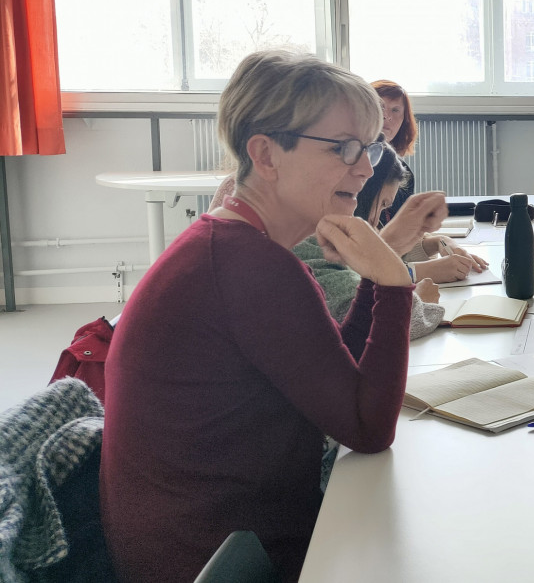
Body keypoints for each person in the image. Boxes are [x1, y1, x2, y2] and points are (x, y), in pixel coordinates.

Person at [101, 50, 447, 582]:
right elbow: (368, 428)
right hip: (222, 562)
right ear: (265, 154)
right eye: (344, 148)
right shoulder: (249, 266)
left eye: (370, 148)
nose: (365, 167)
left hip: (212, 542)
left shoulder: (236, 245)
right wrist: (394, 284)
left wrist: (380, 277)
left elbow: (338, 365)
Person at [293, 146, 451, 340]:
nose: (377, 221)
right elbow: (372, 326)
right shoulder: (308, 241)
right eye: (383, 203)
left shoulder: (323, 230)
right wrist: (420, 302)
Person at [373, 79, 418, 226]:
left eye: (395, 110)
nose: (387, 116)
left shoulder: (405, 173)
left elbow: (403, 227)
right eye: (380, 107)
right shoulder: (351, 165)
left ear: (404, 120)